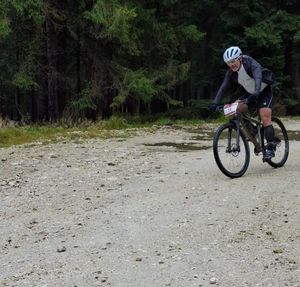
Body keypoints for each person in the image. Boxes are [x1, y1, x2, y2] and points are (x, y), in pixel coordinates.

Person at [211, 46, 276, 162]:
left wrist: (256, 92)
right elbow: (224, 87)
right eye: (228, 63)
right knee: (235, 108)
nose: (231, 65)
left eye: (233, 61)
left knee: (264, 116)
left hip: (263, 90)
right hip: (250, 93)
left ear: (240, 58)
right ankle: (252, 130)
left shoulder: (250, 63)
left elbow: (257, 76)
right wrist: (215, 103)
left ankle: (271, 147)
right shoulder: (231, 72)